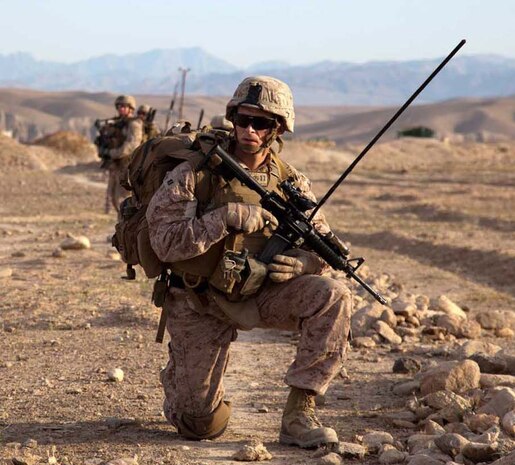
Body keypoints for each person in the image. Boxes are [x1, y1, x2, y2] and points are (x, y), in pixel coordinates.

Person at [146, 76, 352, 448]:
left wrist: (304, 264)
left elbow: (322, 247)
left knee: (332, 296)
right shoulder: (196, 172)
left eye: (262, 123)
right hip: (200, 298)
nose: (250, 130)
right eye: (243, 120)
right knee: (201, 426)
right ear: (232, 118)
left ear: (278, 129)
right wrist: (223, 218)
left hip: (260, 291)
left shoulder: (291, 183)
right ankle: (181, 381)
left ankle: (298, 414)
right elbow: (164, 243)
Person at [104, 95, 143, 215]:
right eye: (119, 106)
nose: (120, 109)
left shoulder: (134, 124)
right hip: (116, 167)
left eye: (124, 106)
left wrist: (112, 153)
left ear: (131, 108)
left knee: (124, 200)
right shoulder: (119, 123)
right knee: (114, 199)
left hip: (127, 166)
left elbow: (131, 145)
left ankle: (127, 229)